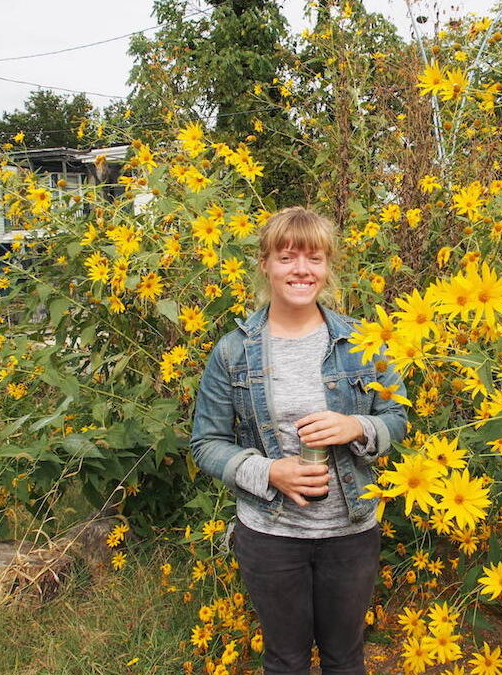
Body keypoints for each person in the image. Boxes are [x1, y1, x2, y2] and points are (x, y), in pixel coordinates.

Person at [190, 206, 408, 675]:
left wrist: (360, 428)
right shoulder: (233, 351)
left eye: (314, 258)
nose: (302, 270)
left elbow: (397, 416)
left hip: (350, 532)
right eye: (288, 257)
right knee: (286, 659)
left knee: (345, 657)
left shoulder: (363, 341)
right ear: (265, 264)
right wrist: (269, 472)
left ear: (328, 267)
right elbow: (206, 442)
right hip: (270, 535)